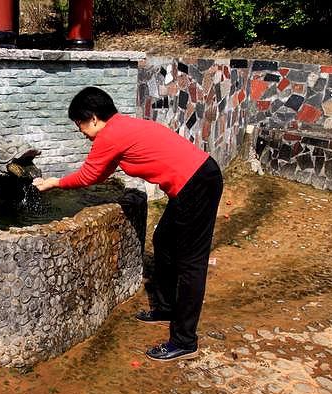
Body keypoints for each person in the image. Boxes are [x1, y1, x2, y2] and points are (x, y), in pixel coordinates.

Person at [33, 87, 223, 362]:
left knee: (191, 263)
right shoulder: (122, 127)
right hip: (190, 183)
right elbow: (103, 171)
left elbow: (90, 175)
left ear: (94, 118)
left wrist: (55, 182)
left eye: (80, 124)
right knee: (164, 243)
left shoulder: (110, 135)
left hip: (197, 185)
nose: (81, 131)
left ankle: (185, 340)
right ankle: (168, 307)